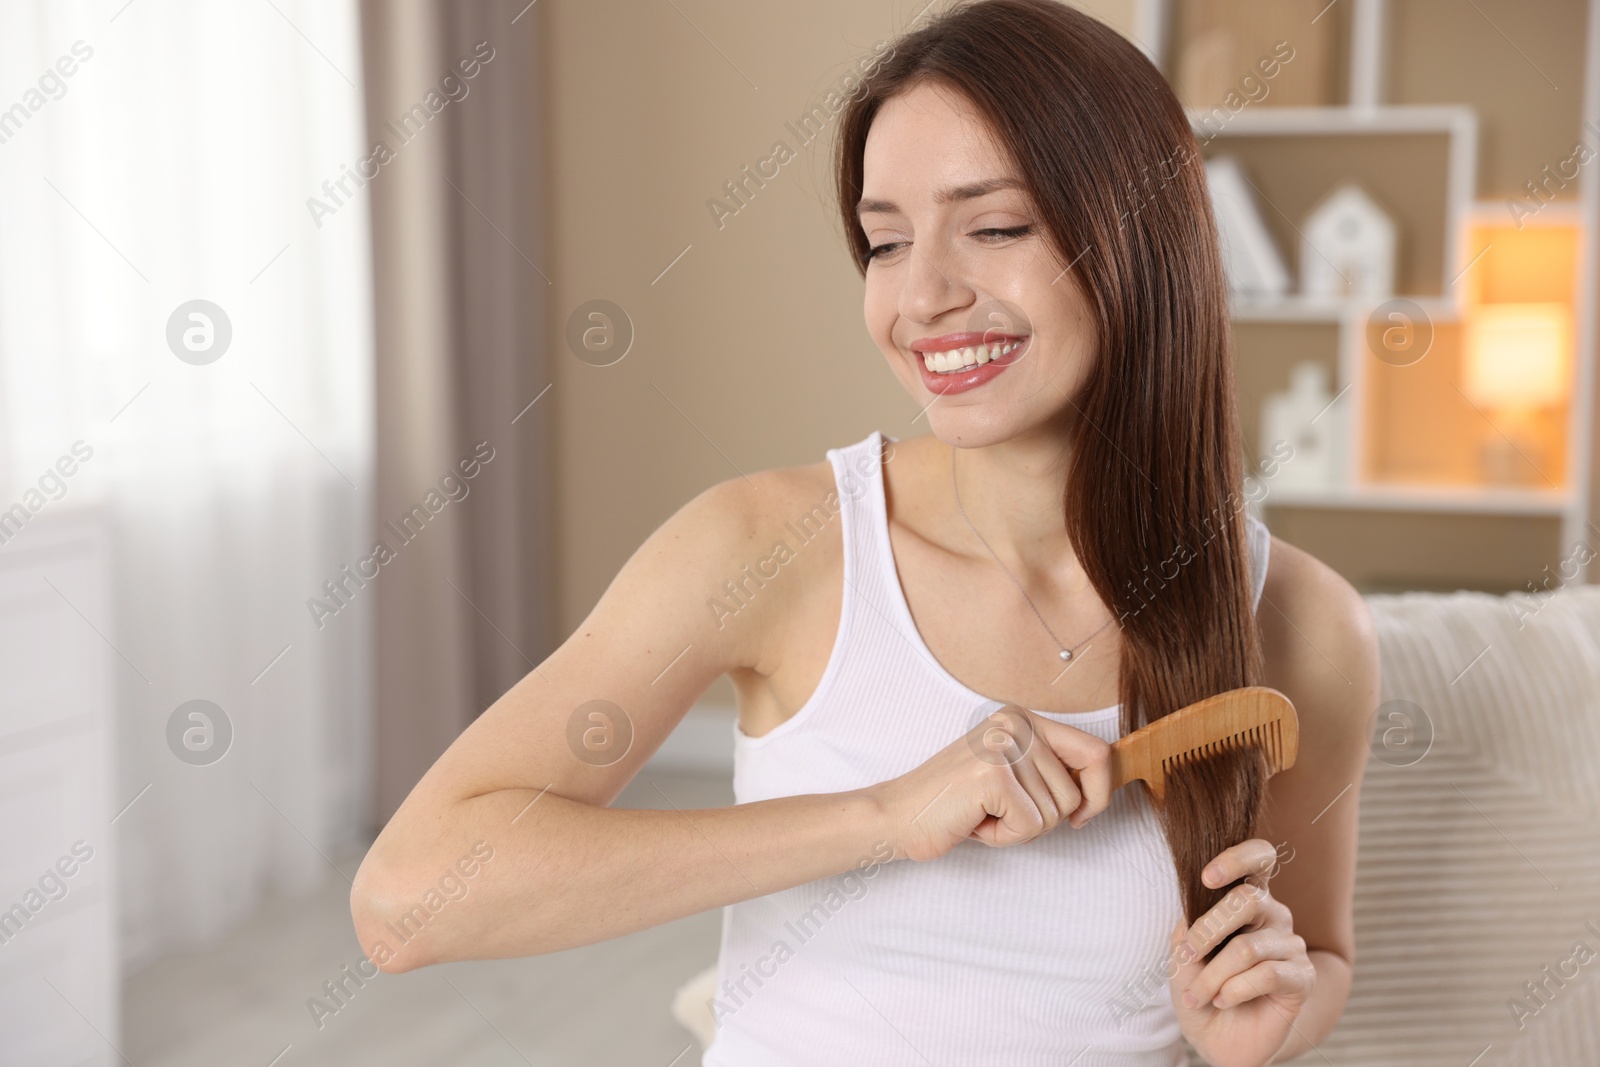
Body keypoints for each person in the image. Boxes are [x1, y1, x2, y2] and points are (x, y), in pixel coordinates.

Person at [350, 2, 1379, 1063]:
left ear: (1142, 236)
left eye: (994, 226)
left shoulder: (1300, 624)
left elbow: (1318, 950)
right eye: (886, 240)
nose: (921, 295)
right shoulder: (766, 548)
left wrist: (1264, 1018)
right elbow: (406, 899)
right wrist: (882, 815)